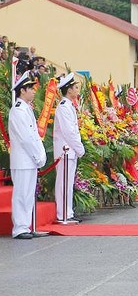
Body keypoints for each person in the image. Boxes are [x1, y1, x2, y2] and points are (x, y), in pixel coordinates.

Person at [9, 71, 48, 239]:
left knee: (28, 194)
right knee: (22, 194)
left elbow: (34, 136)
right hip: (23, 160)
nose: (34, 91)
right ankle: (19, 228)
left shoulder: (26, 109)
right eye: (31, 89)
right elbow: (25, 138)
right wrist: (37, 156)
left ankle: (26, 225)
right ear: (22, 91)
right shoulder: (18, 110)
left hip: (29, 160)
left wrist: (40, 155)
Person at [53, 73, 85, 224]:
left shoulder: (69, 106)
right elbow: (68, 132)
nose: (77, 90)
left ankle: (68, 212)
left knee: (68, 183)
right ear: (69, 90)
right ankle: (62, 214)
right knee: (63, 183)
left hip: (70, 151)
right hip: (65, 151)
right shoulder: (64, 107)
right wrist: (80, 148)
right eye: (75, 88)